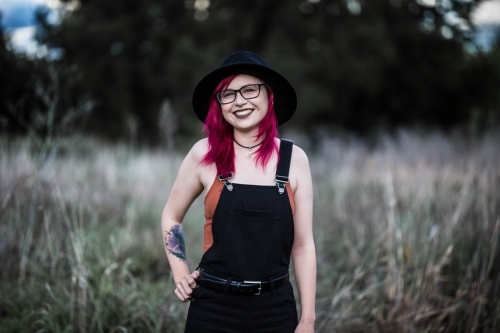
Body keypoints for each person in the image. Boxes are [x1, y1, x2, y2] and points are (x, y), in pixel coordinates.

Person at [161, 50, 316, 333]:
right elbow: (171, 216)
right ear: (218, 105)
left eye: (249, 90)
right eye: (228, 94)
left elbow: (303, 246)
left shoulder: (294, 160)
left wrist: (307, 319)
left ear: (269, 96)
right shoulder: (204, 154)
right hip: (213, 308)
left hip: (275, 309)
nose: (239, 101)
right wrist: (180, 272)